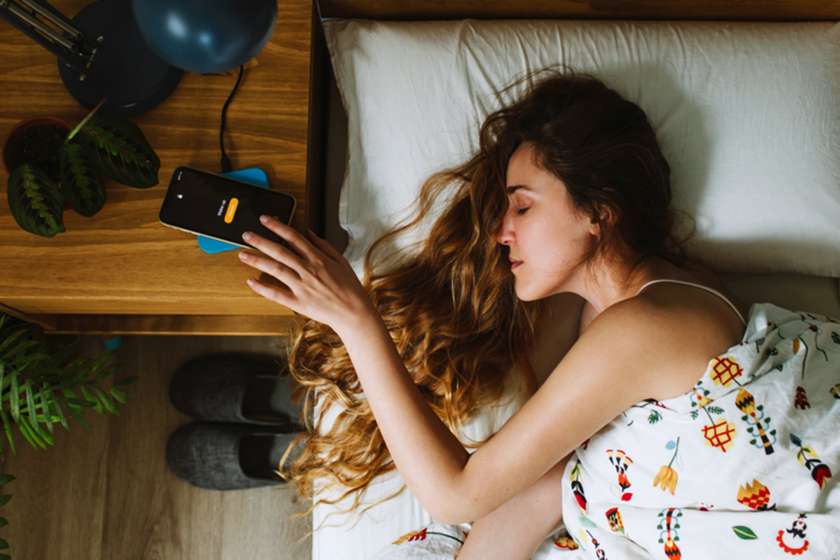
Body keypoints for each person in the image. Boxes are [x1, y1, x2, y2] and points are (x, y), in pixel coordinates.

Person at [237, 68, 840, 558]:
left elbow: (459, 495)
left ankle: (291, 419)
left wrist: (354, 316)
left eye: (522, 207)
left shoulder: (644, 326)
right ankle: (297, 415)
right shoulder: (611, 312)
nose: (501, 231)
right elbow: (535, 472)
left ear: (597, 212)